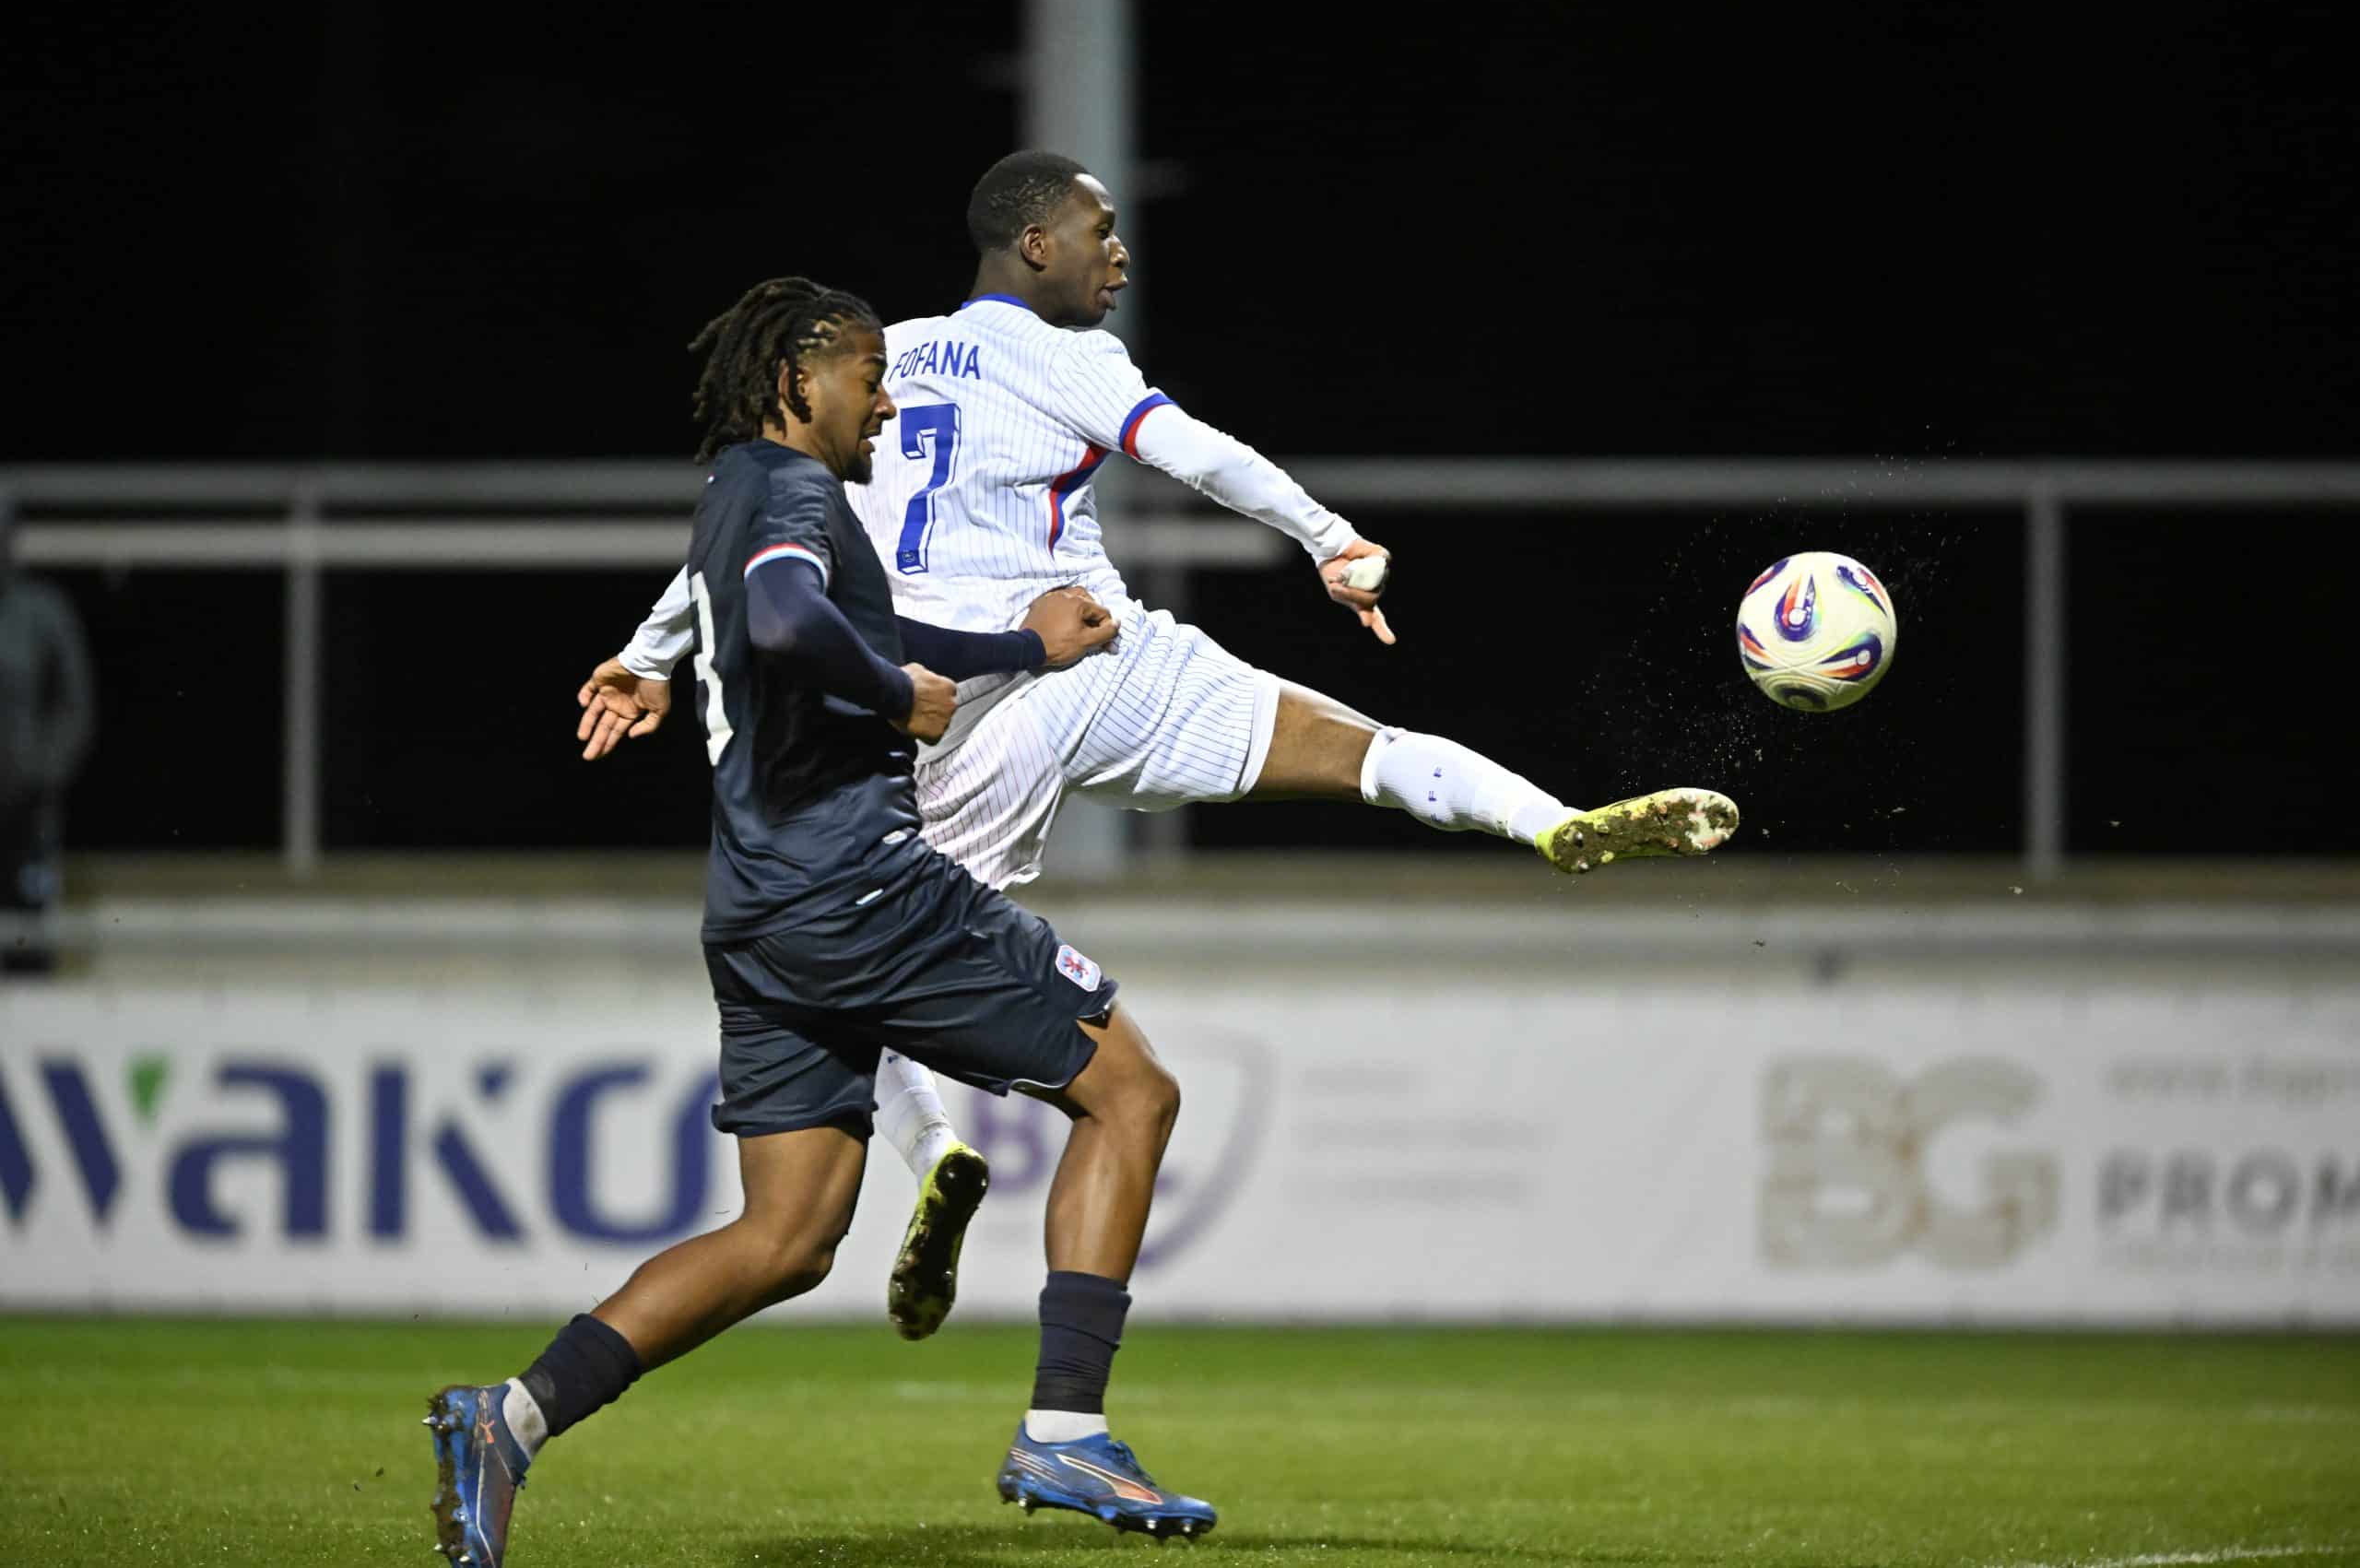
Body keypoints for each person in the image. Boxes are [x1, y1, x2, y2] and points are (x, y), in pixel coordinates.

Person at [576, 148, 1739, 1348]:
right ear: (1035, 244)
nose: (1119, 252)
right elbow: (1199, 453)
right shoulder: (1065, 354)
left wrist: (650, 652)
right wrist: (1330, 538)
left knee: (870, 966)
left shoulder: (876, 359)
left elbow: (760, 548)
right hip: (1083, 643)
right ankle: (1543, 821)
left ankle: (939, 1148)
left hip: (940, 684)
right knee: (1353, 745)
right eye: (1100, 229)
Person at [427, 277, 1215, 1568]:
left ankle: (507, 1416)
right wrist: (897, 690)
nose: (888, 400)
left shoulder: (739, 490)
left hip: (758, 911)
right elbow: (805, 625)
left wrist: (1017, 648)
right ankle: (1067, 1428)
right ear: (799, 378)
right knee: (1133, 1091)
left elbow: (846, 622)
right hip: (864, 891)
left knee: (786, 1236)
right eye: (865, 375)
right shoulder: (796, 497)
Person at [0, 512, 96, 976]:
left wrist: (40, 769)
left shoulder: (43, 610)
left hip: (27, 816)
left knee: (29, 944)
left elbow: (74, 707)